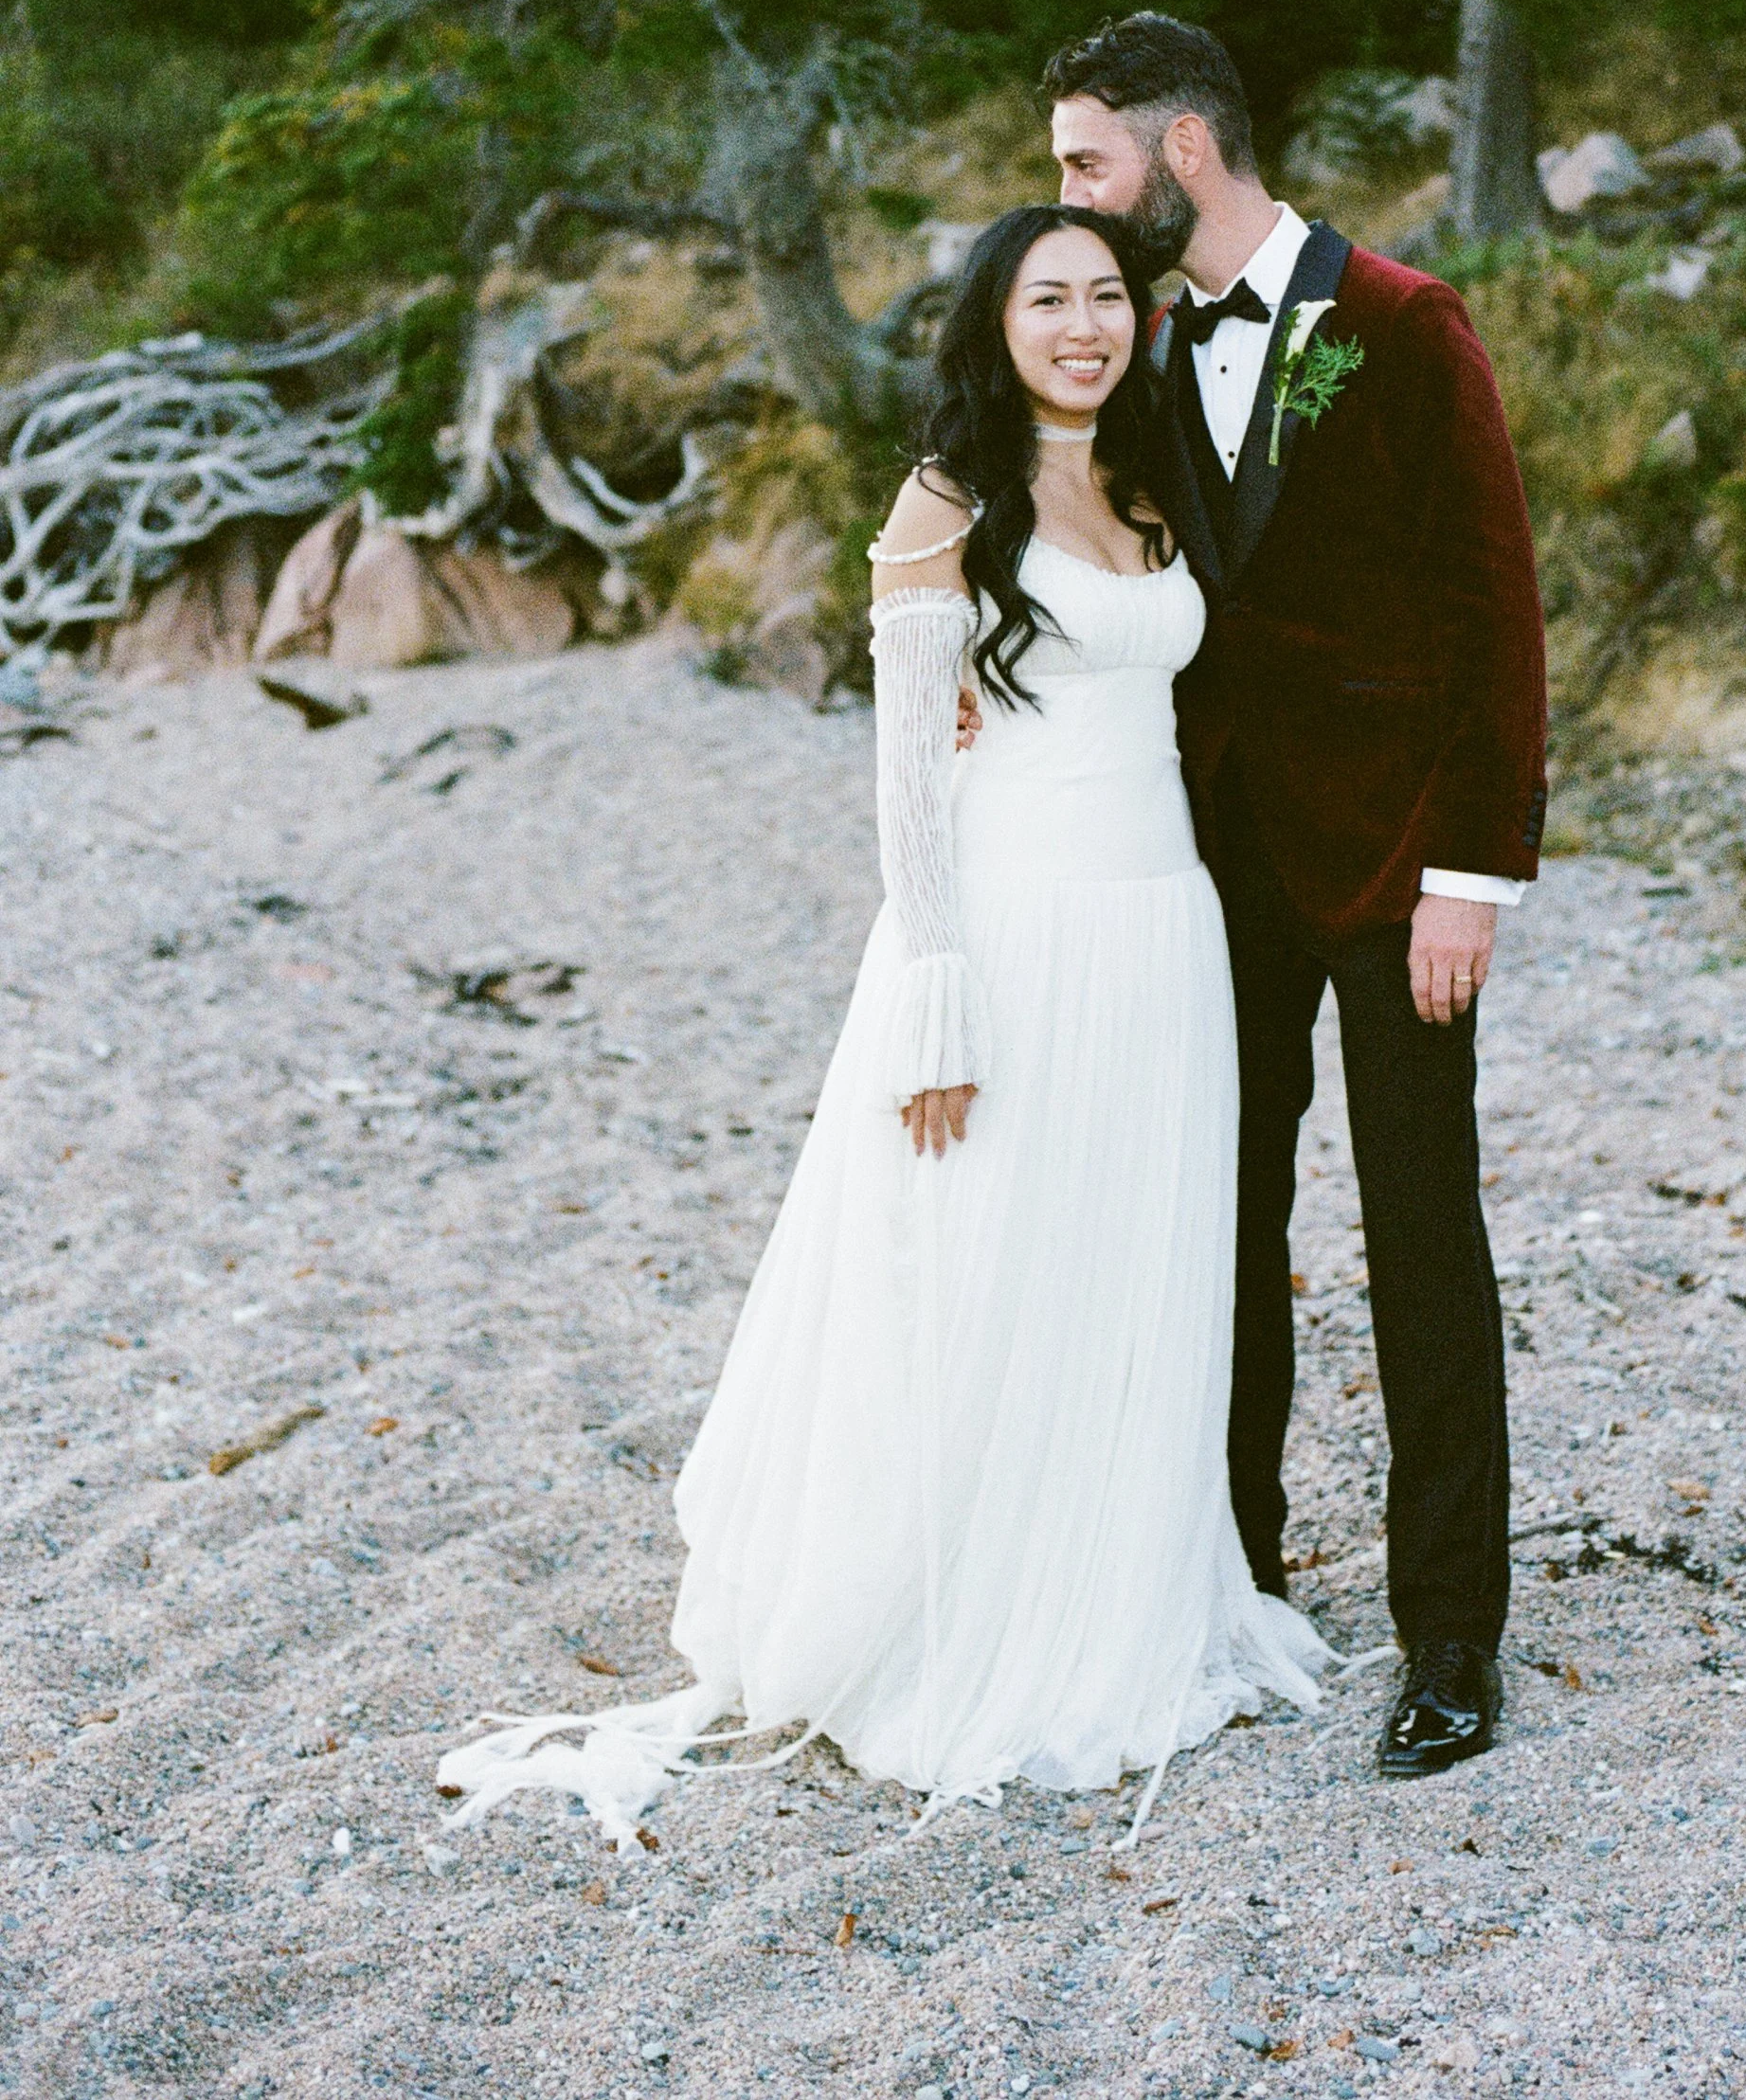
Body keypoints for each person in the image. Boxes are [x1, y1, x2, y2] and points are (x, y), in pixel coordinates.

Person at [435, 206, 1329, 1846]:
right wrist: (934, 991)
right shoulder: (948, 504)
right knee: (975, 1263)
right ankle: (949, 1616)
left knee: (1122, 1264)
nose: (1084, 325)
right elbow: (911, 777)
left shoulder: (1150, 486)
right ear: (994, 323)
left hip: (1160, 931)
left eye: (1106, 296)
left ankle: (1113, 1592)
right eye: (1048, 299)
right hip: (1008, 930)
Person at [1045, 14, 1548, 1781]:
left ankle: (1452, 1634)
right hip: (1215, 870)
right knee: (1222, 1223)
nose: (1072, 199)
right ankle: (1237, 1578)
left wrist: (1472, 877)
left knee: (1421, 1233)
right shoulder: (1139, 341)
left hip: (1401, 866)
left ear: (1183, 150)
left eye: (1088, 162)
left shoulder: (1403, 325)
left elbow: (1496, 613)